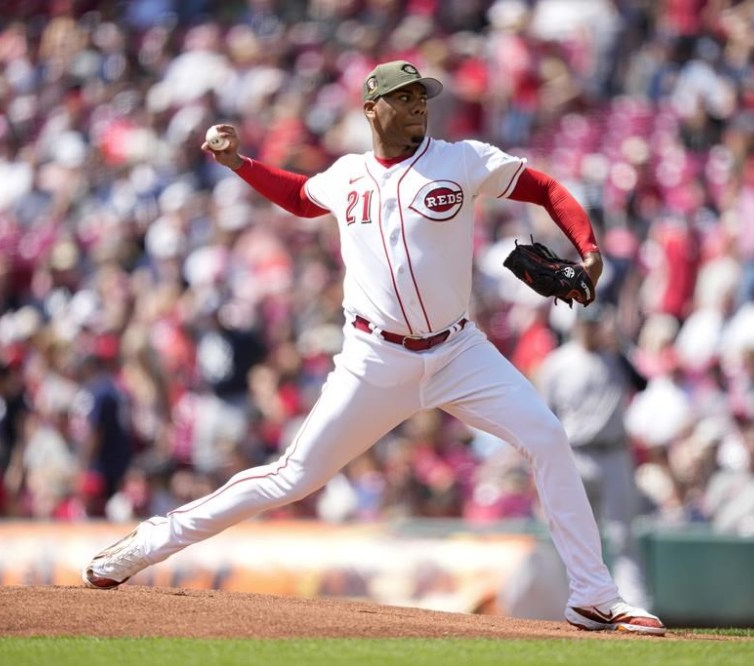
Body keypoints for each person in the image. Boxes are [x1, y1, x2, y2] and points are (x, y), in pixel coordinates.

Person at [81, 60, 665, 635]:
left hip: (459, 352)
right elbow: (301, 197)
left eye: (421, 97)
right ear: (371, 109)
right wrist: (240, 164)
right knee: (292, 477)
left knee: (547, 437)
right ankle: (149, 542)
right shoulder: (347, 175)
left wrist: (589, 250)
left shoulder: (460, 160)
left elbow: (545, 188)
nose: (417, 106)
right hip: (375, 357)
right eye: (403, 97)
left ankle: (593, 595)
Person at [535, 302, 651, 608]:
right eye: (586, 323)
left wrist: (620, 343)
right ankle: (571, 606)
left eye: (595, 323)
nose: (591, 329)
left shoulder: (616, 358)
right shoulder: (557, 364)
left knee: (623, 535)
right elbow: (545, 417)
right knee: (574, 535)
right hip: (575, 455)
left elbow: (643, 383)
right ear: (576, 325)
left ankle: (634, 605)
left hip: (614, 454)